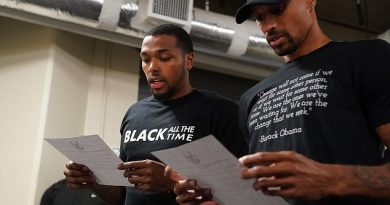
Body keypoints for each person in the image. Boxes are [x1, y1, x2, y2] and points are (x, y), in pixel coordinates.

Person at [173, 0, 390, 205]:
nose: (268, 25)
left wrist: (332, 179)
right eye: (259, 18)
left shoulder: (365, 58)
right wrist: (215, 197)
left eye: (277, 10)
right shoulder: (251, 98)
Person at [63, 23, 248, 205]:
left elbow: (243, 193)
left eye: (165, 57)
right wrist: (93, 180)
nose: (152, 68)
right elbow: (123, 196)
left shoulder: (222, 111)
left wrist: (170, 182)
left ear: (188, 60)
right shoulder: (134, 114)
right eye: (145, 59)